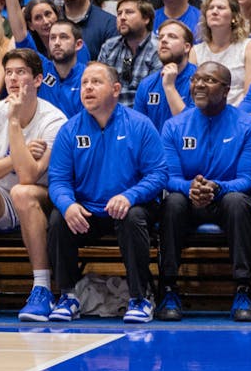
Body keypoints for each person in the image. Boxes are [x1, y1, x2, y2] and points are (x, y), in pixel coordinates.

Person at [47, 62, 169, 324]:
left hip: (128, 206)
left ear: (115, 89)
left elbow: (159, 174)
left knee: (133, 216)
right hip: (89, 208)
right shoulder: (69, 130)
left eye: (96, 82)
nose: (87, 88)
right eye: (84, 83)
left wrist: (130, 195)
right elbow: (57, 180)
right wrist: (68, 205)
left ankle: (140, 297)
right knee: (58, 218)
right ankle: (68, 295)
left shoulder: (140, 124)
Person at [0, 48, 67, 322]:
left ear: (38, 80)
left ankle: (42, 288)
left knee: (22, 191)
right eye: (8, 73)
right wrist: (14, 158)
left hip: (40, 198)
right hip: (2, 197)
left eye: (21, 72)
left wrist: (15, 122)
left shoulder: (54, 120)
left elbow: (30, 176)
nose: (13, 78)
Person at [156, 61, 251, 322]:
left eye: (209, 80)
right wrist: (191, 188)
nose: (199, 84)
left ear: (226, 90)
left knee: (239, 201)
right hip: (189, 201)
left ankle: (243, 288)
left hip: (226, 199)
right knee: (172, 203)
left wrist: (218, 187)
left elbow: (248, 178)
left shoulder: (248, 126)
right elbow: (169, 177)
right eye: (195, 79)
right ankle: (168, 287)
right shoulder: (174, 126)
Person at [190, 0, 251, 106]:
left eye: (221, 8)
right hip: (203, 115)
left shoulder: (250, 48)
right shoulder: (196, 51)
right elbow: (193, 95)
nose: (214, 11)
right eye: (210, 8)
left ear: (234, 17)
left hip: (239, 116)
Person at [97, 0, 163, 106]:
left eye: (129, 12)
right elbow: (99, 86)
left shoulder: (158, 48)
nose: (122, 18)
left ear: (146, 19)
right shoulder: (109, 47)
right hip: (110, 113)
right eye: (119, 13)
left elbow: (153, 95)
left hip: (144, 114)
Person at [133, 19, 196, 131]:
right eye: (160, 37)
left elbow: (189, 127)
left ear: (187, 47)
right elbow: (138, 130)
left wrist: (169, 87)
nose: (164, 40)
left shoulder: (199, 81)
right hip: (154, 147)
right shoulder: (147, 84)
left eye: (172, 36)